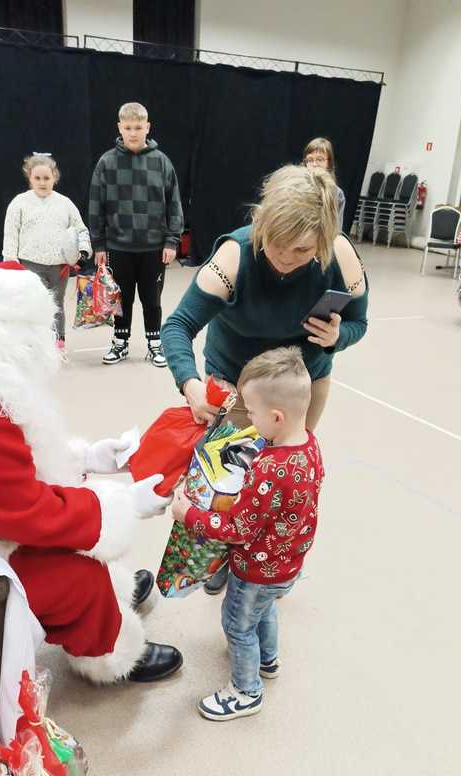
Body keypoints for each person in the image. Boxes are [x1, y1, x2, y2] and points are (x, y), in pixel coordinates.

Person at [0, 261, 183, 685]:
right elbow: (29, 514)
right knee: (71, 576)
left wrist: (84, 460)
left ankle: (112, 596)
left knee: (74, 535)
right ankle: (109, 650)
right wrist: (123, 506)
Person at [162, 164, 367, 592]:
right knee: (231, 480)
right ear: (261, 221)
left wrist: (336, 336)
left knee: (284, 477)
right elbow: (178, 325)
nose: (285, 258)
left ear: (326, 238)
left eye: (302, 249)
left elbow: (358, 324)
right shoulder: (233, 257)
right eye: (275, 242)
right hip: (237, 386)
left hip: (301, 386)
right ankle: (220, 557)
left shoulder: (343, 258)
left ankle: (271, 562)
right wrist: (191, 384)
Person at [172, 347, 323, 720]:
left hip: (255, 568)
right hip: (287, 564)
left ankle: (245, 691)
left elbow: (237, 529)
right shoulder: (309, 446)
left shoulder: (270, 468)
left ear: (275, 416)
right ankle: (267, 659)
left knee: (237, 625)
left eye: (252, 413)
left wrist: (188, 513)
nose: (249, 419)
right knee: (263, 609)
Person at [89, 102, 183, 368]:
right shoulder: (106, 162)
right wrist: (99, 244)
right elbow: (96, 205)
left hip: (154, 247)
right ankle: (121, 342)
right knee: (122, 298)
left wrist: (172, 240)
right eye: (128, 127)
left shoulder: (161, 162)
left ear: (148, 127)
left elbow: (174, 203)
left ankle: (155, 344)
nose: (133, 133)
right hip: (119, 246)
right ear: (119, 127)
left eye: (138, 127)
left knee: (152, 299)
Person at [3, 153, 92, 352]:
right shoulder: (19, 203)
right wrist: (11, 260)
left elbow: (80, 229)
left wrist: (83, 251)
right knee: (33, 305)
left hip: (59, 267)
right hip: (29, 264)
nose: (42, 182)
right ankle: (33, 346)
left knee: (56, 305)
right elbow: (11, 233)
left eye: (46, 178)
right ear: (29, 178)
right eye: (37, 178)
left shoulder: (65, 203)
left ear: (54, 178)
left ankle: (58, 345)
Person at [303, 137, 345, 229]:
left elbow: (336, 231)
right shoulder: (296, 189)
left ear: (329, 164)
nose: (314, 164)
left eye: (320, 159)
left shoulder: (337, 194)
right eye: (310, 160)